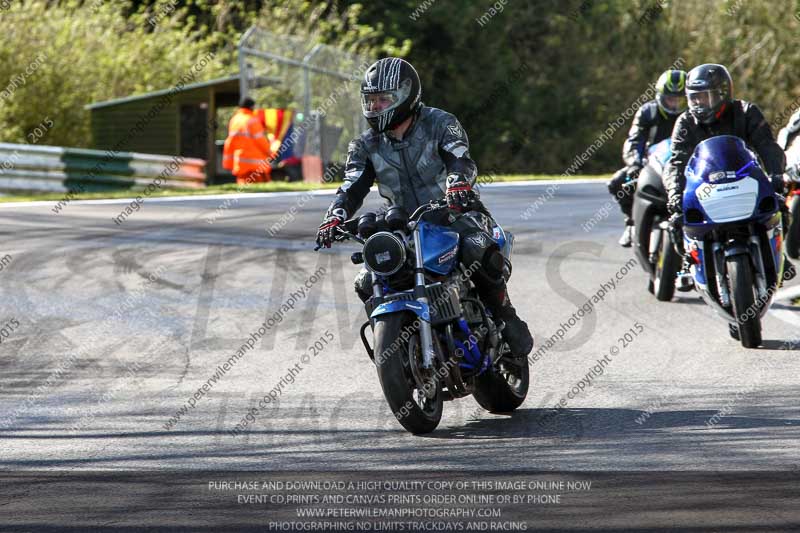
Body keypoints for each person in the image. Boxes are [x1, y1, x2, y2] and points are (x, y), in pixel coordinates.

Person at [315, 57, 533, 359]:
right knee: (367, 279)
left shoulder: (441, 122)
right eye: (371, 100)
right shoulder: (364, 145)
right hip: (402, 223)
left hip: (455, 210)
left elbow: (460, 160)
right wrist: (334, 216)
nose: (376, 107)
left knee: (475, 248)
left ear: (407, 95)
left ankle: (505, 314)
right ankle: (400, 344)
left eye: (383, 100)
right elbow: (353, 185)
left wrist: (457, 183)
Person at [663, 63, 796, 287]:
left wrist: (776, 176)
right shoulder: (685, 122)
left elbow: (767, 146)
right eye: (694, 98)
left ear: (722, 93)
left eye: (704, 97)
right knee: (676, 221)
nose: (698, 103)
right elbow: (676, 162)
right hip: (705, 187)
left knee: (780, 206)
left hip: (745, 180)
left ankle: (777, 254)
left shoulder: (746, 112)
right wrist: (675, 193)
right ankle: (688, 263)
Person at [608, 69, 687, 247]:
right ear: (660, 96)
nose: (674, 104)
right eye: (670, 99)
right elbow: (634, 140)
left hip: (683, 164)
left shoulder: (692, 115)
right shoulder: (647, 112)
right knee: (618, 183)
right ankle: (631, 222)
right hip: (651, 164)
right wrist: (634, 162)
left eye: (679, 99)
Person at [222, 96, 274, 184]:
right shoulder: (252, 120)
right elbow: (260, 140)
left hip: (240, 161)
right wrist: (269, 152)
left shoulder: (234, 120)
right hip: (255, 163)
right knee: (260, 190)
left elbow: (230, 141)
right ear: (252, 107)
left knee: (244, 189)